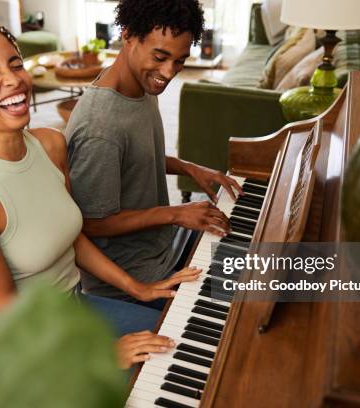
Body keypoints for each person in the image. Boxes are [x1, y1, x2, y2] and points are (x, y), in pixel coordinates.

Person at [0, 21, 201, 368]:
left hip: (77, 307)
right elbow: (7, 312)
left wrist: (138, 288)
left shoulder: (49, 144)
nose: (13, 79)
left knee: (180, 344)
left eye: (15, 64)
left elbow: (72, 238)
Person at [66, 0, 243, 306]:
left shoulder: (139, 84)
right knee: (247, 301)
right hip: (133, 279)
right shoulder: (100, 126)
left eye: (179, 61)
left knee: (263, 263)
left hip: (163, 246)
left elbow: (133, 159)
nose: (169, 72)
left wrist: (188, 168)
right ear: (127, 35)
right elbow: (90, 223)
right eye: (160, 57)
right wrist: (175, 213)